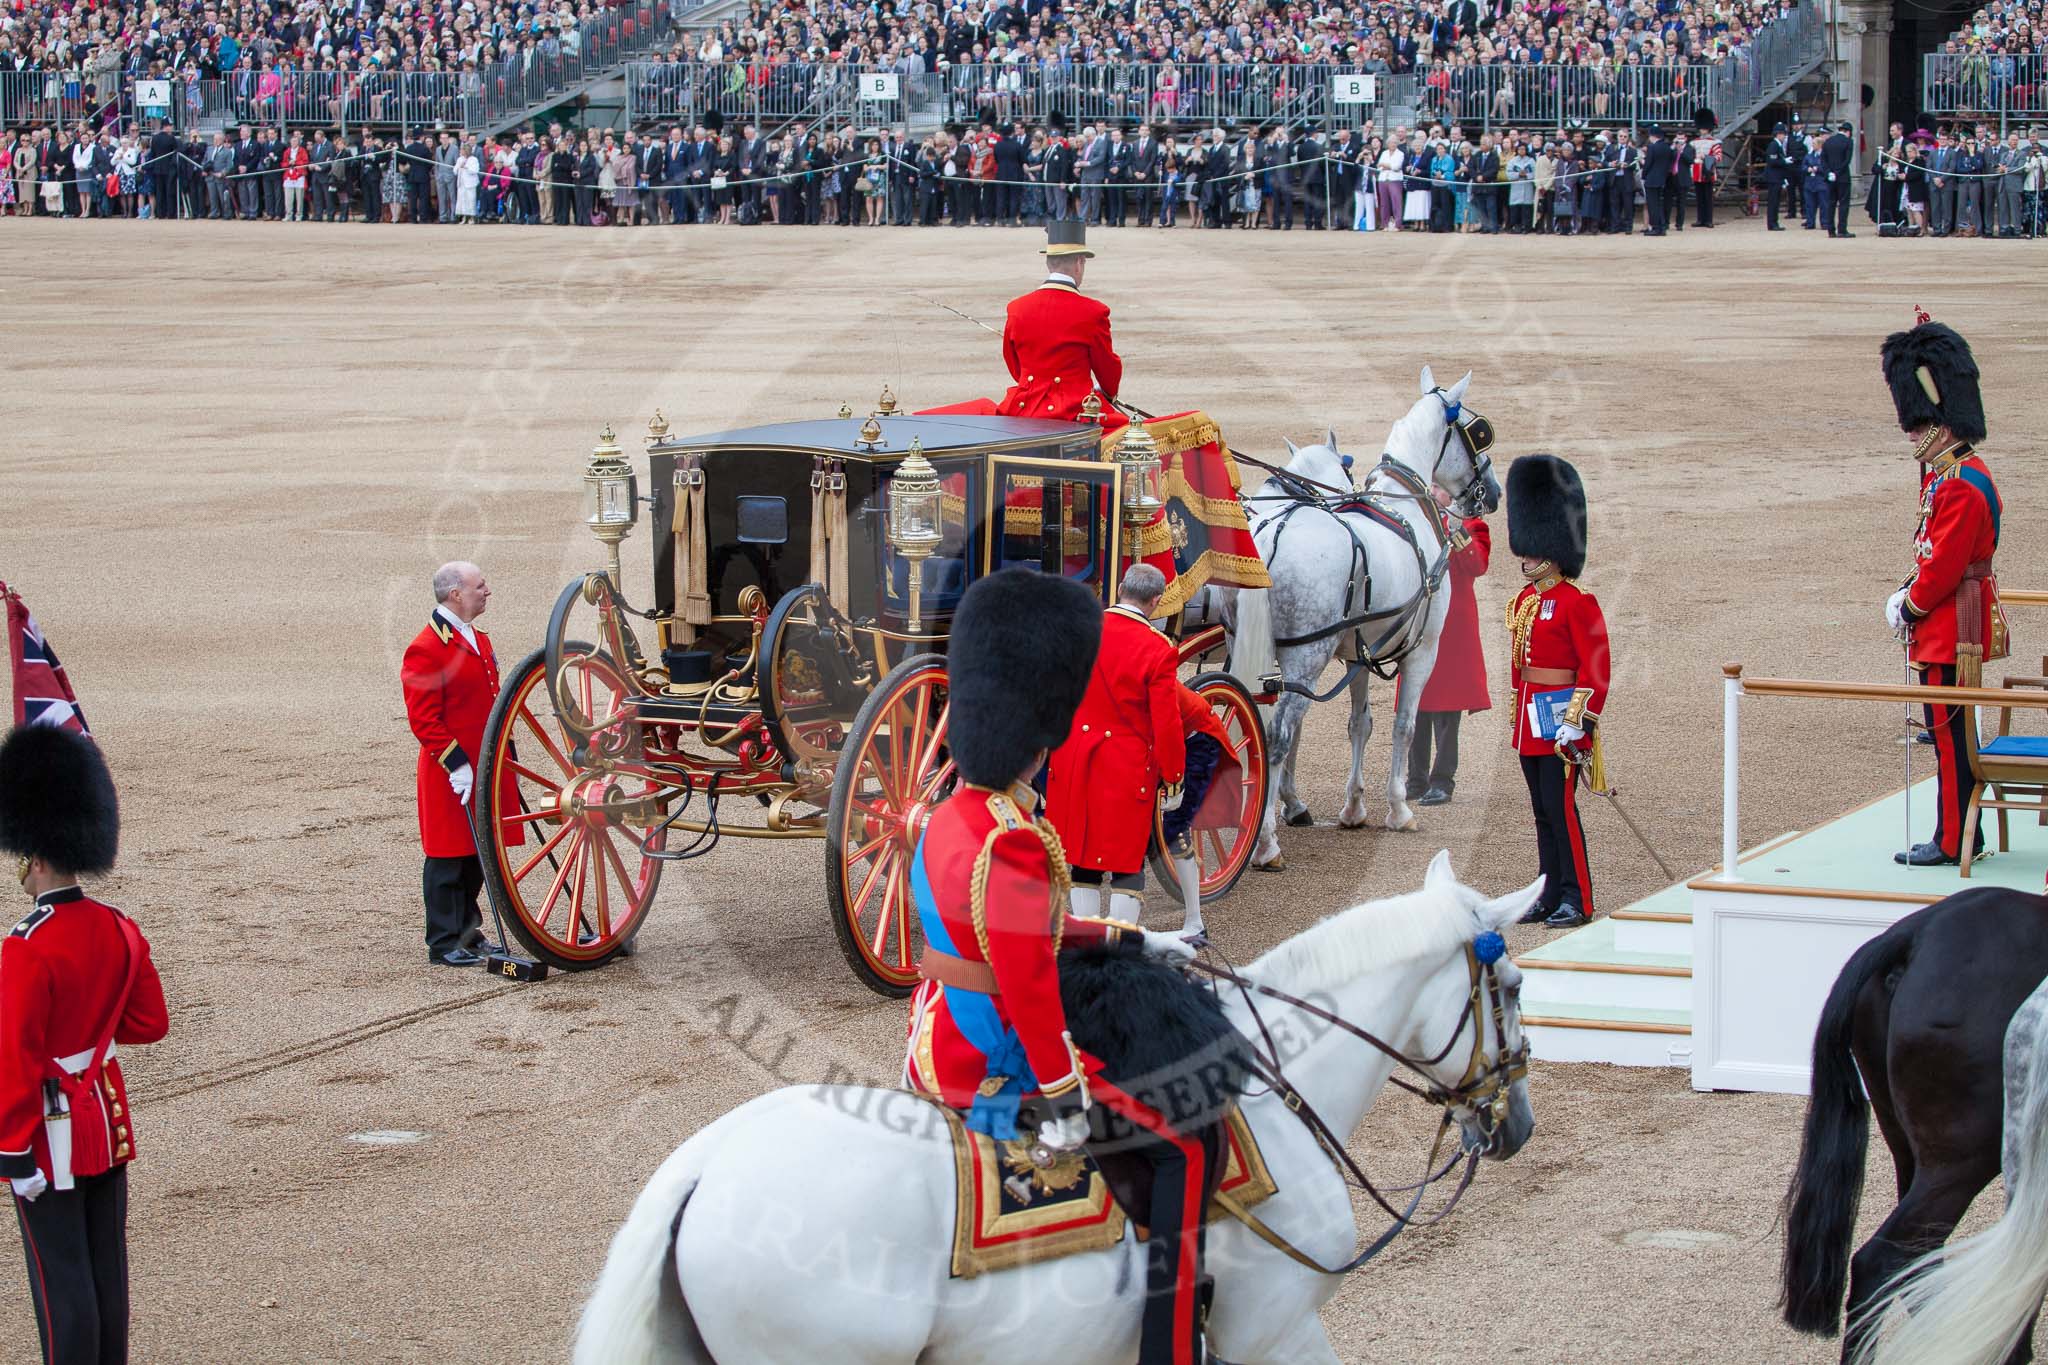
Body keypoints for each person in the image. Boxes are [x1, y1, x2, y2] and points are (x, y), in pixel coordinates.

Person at [900, 568, 1216, 1365]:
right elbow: (1032, 988)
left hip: (932, 1035)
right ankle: (1172, 1352)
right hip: (990, 1059)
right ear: (1034, 734)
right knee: (1185, 1148)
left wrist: (1134, 940)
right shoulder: (1010, 835)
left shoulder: (948, 818)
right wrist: (1065, 1099)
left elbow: (1016, 931)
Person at [0, 724, 169, 1365]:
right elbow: (149, 1024)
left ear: (36, 856)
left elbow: (14, 1055)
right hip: (105, 1119)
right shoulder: (118, 927)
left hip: (48, 1131)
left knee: (60, 1285)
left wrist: (13, 1151)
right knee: (105, 1280)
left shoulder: (26, 944)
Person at [1882, 318, 2002, 867]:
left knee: (1949, 735)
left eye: (1919, 422)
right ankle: (1959, 831)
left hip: (1950, 624)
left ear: (1944, 424)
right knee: (1948, 735)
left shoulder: (1959, 485)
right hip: (1948, 619)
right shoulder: (1949, 473)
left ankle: (1954, 838)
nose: (1911, 432)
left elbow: (1944, 567)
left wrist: (1909, 604)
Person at [1504, 455, 1610, 930]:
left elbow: (1595, 669)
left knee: (1562, 810)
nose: (1523, 557)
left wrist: (1577, 722)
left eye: (1530, 549)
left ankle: (1578, 897)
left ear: (1551, 548)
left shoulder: (1576, 603)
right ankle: (1548, 892)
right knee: (1542, 813)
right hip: (1531, 721)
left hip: (1562, 722)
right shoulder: (1526, 601)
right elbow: (1521, 668)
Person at [1046, 564, 1186, 921]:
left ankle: (1087, 944)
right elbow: (1166, 723)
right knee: (1126, 863)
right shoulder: (1159, 649)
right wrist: (1174, 775)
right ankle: (1119, 947)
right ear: (1156, 601)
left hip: (1074, 757)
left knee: (1081, 859)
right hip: (1124, 767)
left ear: (1121, 587)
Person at [400, 562, 512, 966]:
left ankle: (469, 931)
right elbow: (423, 718)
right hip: (451, 771)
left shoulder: (477, 638)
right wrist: (458, 763)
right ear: (455, 595)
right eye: (479, 586)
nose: (487, 591)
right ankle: (444, 941)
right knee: (448, 857)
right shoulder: (427, 647)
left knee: (476, 853)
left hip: (483, 767)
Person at [990, 222, 1124, 426]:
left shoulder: (1016, 307)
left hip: (1025, 407)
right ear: (1079, 263)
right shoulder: (1094, 311)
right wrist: (1106, 393)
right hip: (1074, 409)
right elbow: (1107, 369)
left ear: (1048, 263)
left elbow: (1015, 365)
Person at [1406, 490, 1491, 807]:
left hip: (1453, 627)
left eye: (1437, 487)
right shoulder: (1417, 521)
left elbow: (1477, 565)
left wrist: (1457, 533)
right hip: (1420, 621)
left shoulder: (1472, 526)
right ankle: (1415, 779)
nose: (1431, 491)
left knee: (1446, 711)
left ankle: (1442, 780)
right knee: (1416, 705)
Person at [1823, 119, 1856, 238]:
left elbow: (1823, 160)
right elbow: (1846, 161)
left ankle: (1830, 230)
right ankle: (1842, 229)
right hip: (1842, 177)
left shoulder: (1828, 141)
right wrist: (1837, 173)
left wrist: (1829, 173)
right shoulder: (1848, 142)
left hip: (1831, 178)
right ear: (1848, 132)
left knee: (1831, 203)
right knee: (1843, 203)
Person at [1642, 125, 1674, 235]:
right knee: (1659, 204)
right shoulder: (1667, 147)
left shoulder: (1652, 148)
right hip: (1662, 178)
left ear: (1652, 136)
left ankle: (1655, 227)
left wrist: (1643, 175)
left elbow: (1648, 164)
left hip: (1651, 179)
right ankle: (1662, 226)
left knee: (1652, 204)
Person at [1761, 122, 1794, 230]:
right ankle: (1772, 223)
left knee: (1775, 201)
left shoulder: (1777, 145)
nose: (1784, 136)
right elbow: (1772, 161)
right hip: (1774, 177)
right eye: (1783, 134)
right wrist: (1784, 161)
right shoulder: (1774, 145)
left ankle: (1774, 222)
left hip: (1777, 177)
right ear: (1778, 134)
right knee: (1773, 201)